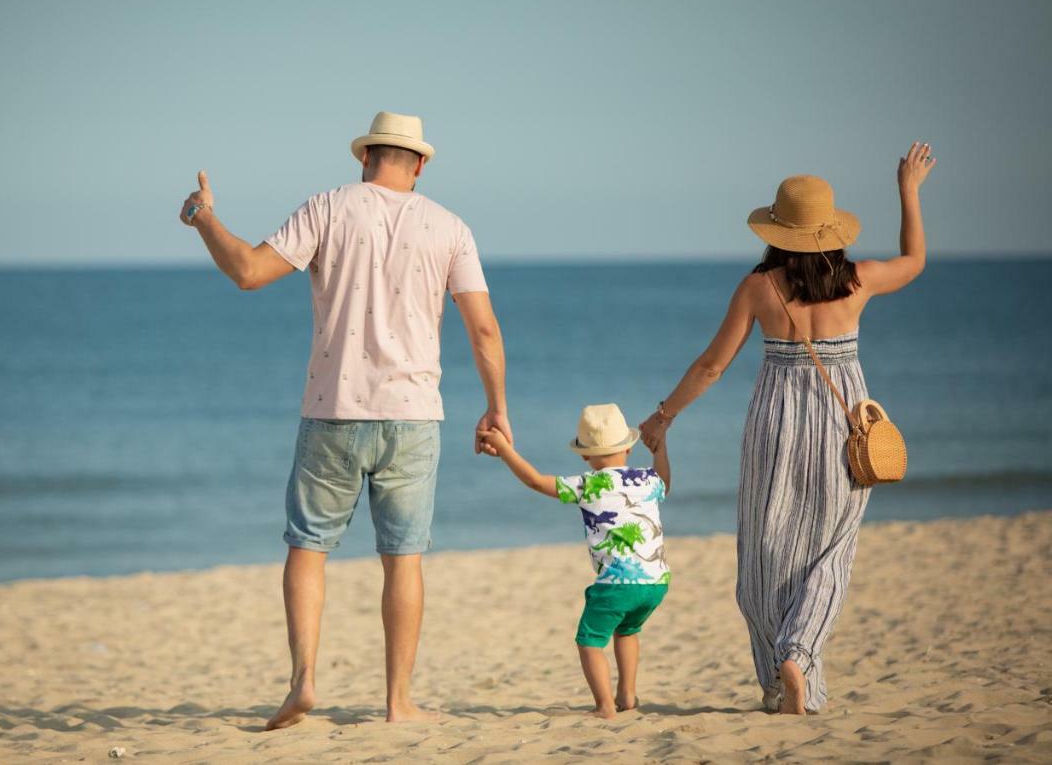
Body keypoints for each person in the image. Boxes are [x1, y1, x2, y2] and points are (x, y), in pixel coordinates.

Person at [178, 111, 511, 729]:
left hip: (332, 410)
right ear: (419, 164)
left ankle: (303, 681)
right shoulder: (450, 227)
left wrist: (203, 216)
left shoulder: (328, 207)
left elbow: (248, 273)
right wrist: (497, 408)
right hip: (413, 418)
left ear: (366, 158)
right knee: (403, 558)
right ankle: (398, 702)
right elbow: (484, 329)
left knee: (308, 548)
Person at [639, 142, 936, 715]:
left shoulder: (760, 288)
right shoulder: (859, 281)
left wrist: (664, 415)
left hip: (775, 425)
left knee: (764, 555)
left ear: (777, 232)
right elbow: (915, 261)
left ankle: (780, 678)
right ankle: (800, 657)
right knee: (831, 550)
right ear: (831, 230)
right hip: (840, 426)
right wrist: (909, 190)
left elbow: (711, 366)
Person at [479, 403, 671, 719]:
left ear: (585, 456)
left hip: (618, 583)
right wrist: (660, 450)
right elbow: (665, 481)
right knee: (627, 630)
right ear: (628, 447)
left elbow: (536, 481)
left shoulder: (587, 484)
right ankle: (628, 695)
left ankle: (605, 706)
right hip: (657, 581)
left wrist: (504, 449)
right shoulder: (647, 480)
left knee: (590, 640)